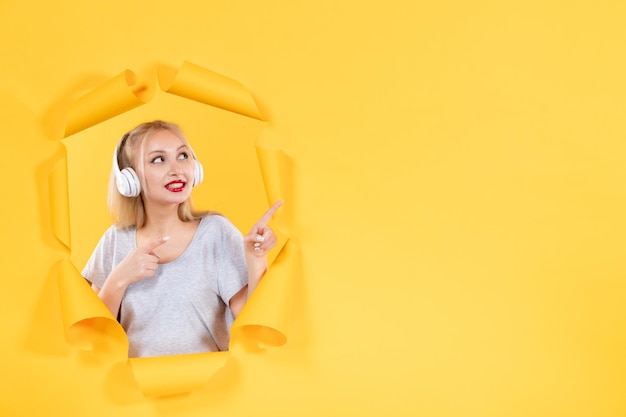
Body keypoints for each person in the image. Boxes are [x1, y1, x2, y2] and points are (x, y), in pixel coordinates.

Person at [81, 120, 282, 358]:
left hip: (211, 387)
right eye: (158, 159)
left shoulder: (215, 232)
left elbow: (252, 323)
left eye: (183, 155)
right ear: (130, 179)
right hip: (136, 391)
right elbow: (94, 338)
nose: (177, 169)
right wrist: (119, 279)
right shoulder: (115, 240)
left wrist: (256, 259)